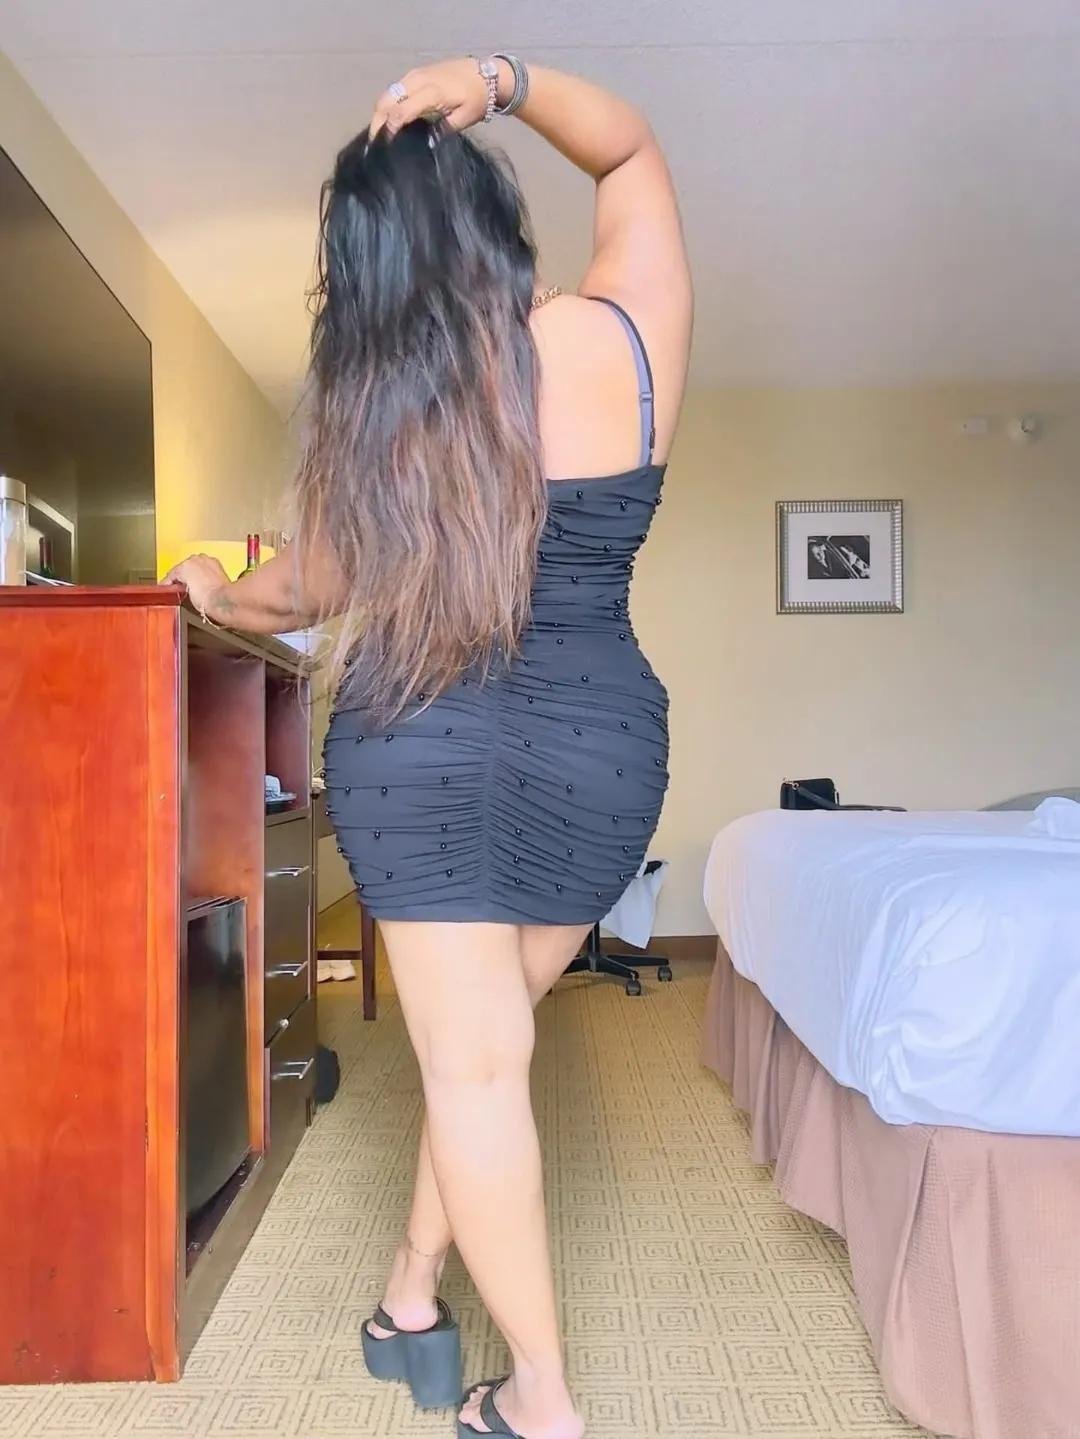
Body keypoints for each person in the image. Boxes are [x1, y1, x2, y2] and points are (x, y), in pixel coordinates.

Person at [165, 54, 691, 1439]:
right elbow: (630, 153)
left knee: (473, 1066)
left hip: (427, 747)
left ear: (366, 279)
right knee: (487, 1054)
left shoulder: (387, 426)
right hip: (596, 748)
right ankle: (410, 1293)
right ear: (494, 226)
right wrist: (499, 78)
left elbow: (287, 597)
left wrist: (212, 585)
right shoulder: (621, 340)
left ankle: (543, 1400)